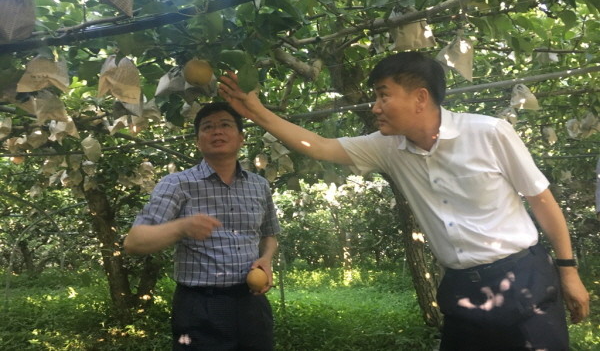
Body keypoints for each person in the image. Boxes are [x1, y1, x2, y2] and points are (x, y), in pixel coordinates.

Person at [219, 52, 590, 351]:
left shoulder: (489, 133)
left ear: (420, 97)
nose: (375, 106)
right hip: (461, 289)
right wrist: (258, 113)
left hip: (523, 277)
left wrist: (568, 271)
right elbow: (319, 146)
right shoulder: (387, 147)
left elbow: (541, 200)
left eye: (383, 94)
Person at [124, 102, 280, 351]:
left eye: (225, 125)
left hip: (252, 303)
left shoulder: (259, 185)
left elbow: (269, 234)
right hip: (199, 307)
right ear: (198, 141)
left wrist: (267, 259)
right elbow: (134, 242)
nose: (217, 131)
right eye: (208, 127)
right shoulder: (177, 184)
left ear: (241, 138)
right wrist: (181, 227)